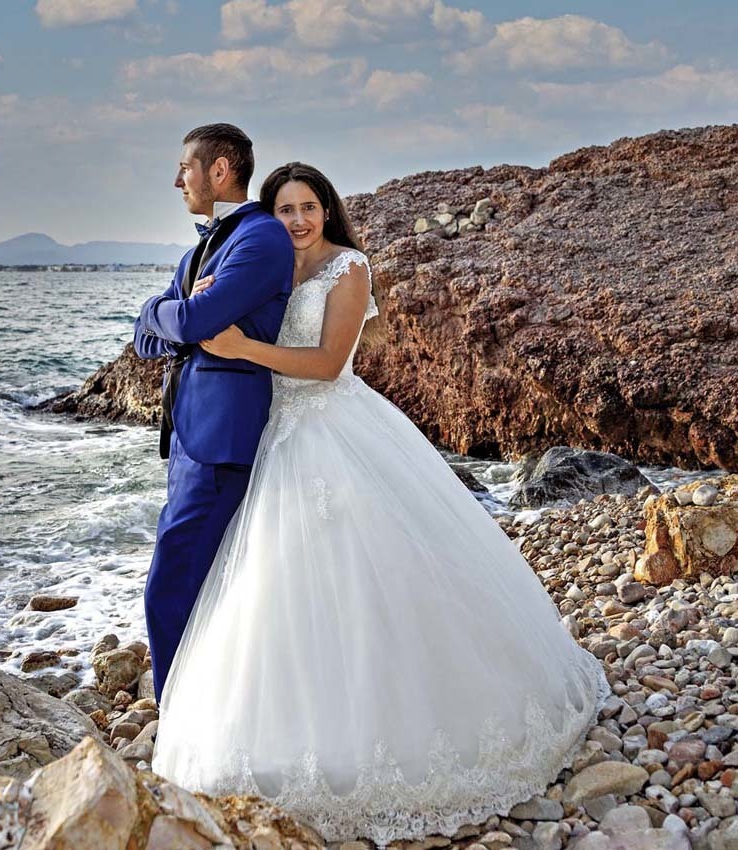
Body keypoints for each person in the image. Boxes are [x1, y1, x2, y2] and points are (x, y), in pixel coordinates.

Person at [149, 162, 610, 846]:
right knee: (273, 585)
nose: (298, 220)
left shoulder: (349, 267)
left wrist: (243, 346)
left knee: (366, 576)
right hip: (272, 434)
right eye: (284, 209)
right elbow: (203, 315)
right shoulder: (269, 267)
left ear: (327, 210)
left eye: (308, 207)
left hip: (330, 428)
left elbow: (327, 363)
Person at [132, 123, 294, 703]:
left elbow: (192, 322)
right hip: (185, 437)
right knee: (199, 578)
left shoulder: (262, 238)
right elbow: (145, 340)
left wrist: (163, 310)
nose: (178, 181)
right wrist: (167, 312)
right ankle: (212, 703)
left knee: (170, 584)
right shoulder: (197, 251)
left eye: (186, 168)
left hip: (222, 438)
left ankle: (177, 715)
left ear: (219, 171)